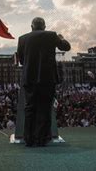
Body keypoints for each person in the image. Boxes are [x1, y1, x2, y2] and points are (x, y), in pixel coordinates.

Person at [17, 17, 70, 147]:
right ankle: (41, 139)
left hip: (29, 79)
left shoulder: (22, 38)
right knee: (45, 109)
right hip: (47, 79)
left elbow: (22, 61)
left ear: (31, 27)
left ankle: (29, 139)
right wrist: (61, 38)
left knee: (30, 109)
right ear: (44, 27)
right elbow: (66, 47)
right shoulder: (52, 35)